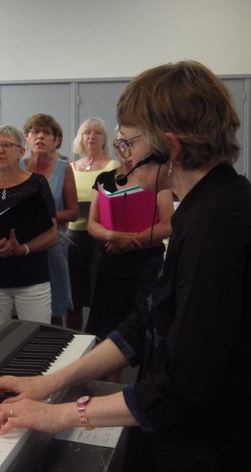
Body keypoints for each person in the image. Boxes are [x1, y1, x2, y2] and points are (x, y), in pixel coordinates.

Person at [0, 61, 251, 471]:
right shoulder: (205, 206)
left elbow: (183, 387)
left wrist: (59, 415)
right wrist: (50, 382)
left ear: (170, 148)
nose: (124, 158)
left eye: (127, 144)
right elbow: (147, 320)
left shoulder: (219, 223)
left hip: (228, 447)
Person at [85, 127, 173, 382]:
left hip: (145, 263)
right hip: (111, 261)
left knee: (147, 326)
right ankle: (110, 386)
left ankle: (146, 385)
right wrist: (113, 237)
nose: (123, 149)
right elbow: (92, 224)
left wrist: (130, 241)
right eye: (118, 144)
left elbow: (168, 224)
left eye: (128, 143)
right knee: (110, 327)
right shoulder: (104, 179)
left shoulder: (156, 178)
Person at [0, 125, 58, 335]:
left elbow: (52, 234)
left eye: (6, 145)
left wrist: (23, 249)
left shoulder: (36, 183)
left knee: (35, 339)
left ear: (21, 151)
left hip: (31, 276)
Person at [22, 114, 78, 326]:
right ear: (26, 138)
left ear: (57, 140)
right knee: (22, 309)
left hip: (53, 245)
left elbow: (73, 212)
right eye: (35, 132)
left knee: (54, 309)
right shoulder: (16, 166)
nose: (40, 137)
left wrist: (42, 216)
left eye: (47, 133)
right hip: (21, 246)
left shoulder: (65, 168)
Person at [65, 118, 119, 330]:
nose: (91, 137)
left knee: (100, 294)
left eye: (97, 133)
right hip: (73, 238)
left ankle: (98, 340)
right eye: (87, 132)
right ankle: (73, 340)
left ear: (104, 139)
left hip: (100, 238)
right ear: (80, 138)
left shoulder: (113, 167)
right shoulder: (70, 168)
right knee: (74, 297)